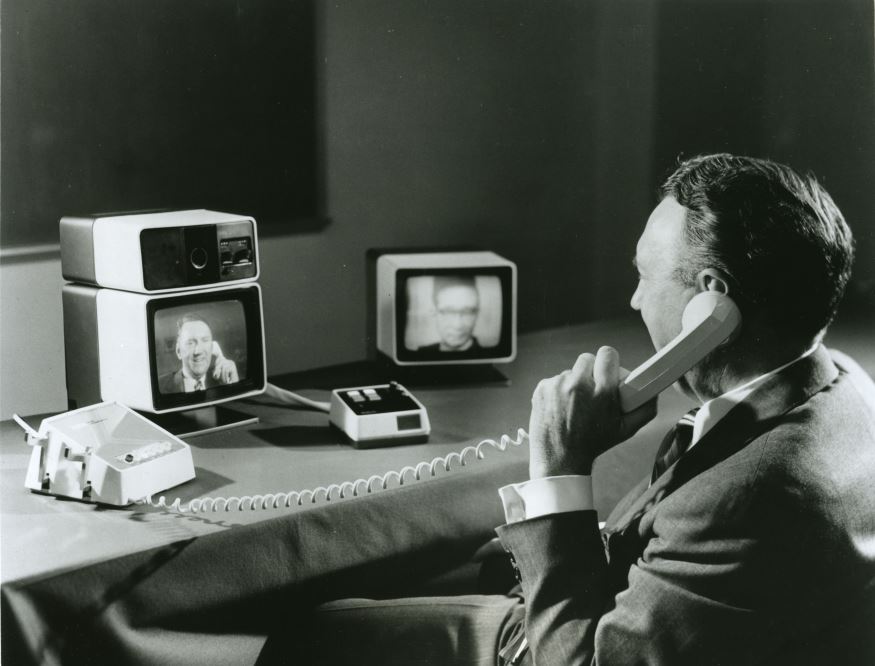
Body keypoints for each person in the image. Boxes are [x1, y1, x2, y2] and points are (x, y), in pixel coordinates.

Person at [308, 154, 875, 664]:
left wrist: (560, 467)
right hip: (628, 613)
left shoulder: (750, 498)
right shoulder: (846, 384)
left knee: (314, 630)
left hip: (553, 645)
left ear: (711, 306)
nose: (633, 299)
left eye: (644, 276)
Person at [158, 313, 239, 394]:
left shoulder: (222, 381)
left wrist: (234, 385)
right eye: (190, 343)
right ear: (178, 351)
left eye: (205, 340)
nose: (198, 351)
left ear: (212, 347)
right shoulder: (160, 386)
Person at [418, 275, 483, 353]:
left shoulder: (488, 356)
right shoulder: (422, 353)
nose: (458, 325)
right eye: (448, 311)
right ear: (433, 311)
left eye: (468, 312)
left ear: (477, 313)